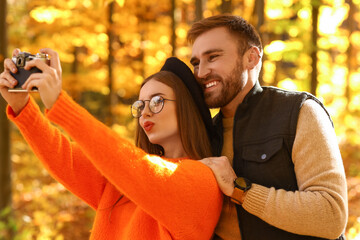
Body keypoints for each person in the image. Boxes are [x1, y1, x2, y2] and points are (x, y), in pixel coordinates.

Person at [0, 48, 223, 239]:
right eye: (140, 105)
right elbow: (64, 155)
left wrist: (60, 103)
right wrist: (23, 108)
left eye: (157, 101)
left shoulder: (203, 182)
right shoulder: (119, 184)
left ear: (188, 107)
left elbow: (137, 167)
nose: (144, 111)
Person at [187, 15, 348, 240]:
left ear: (251, 58)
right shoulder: (204, 135)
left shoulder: (299, 112)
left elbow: (331, 215)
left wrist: (239, 190)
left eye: (213, 57)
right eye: (196, 63)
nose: (201, 73)